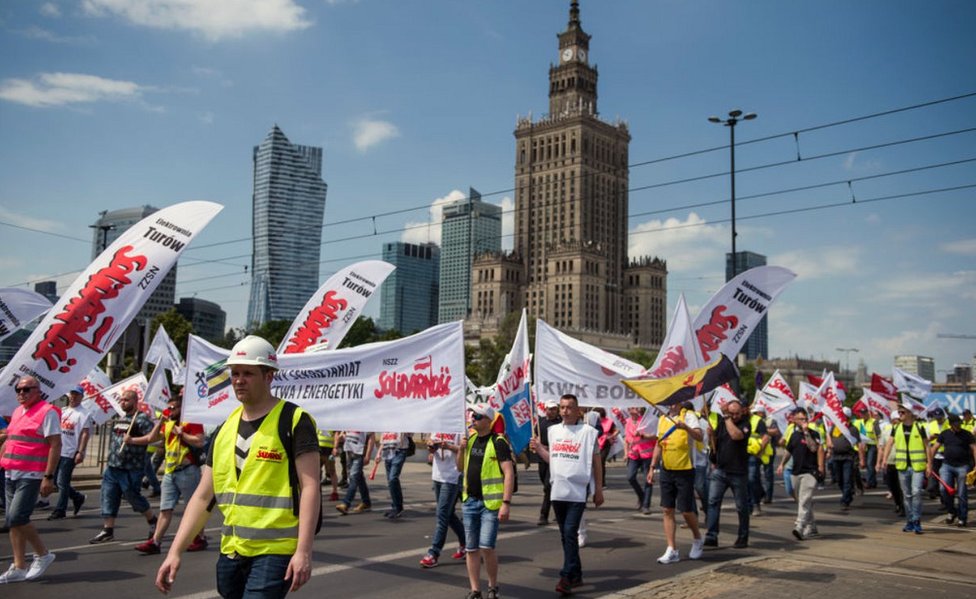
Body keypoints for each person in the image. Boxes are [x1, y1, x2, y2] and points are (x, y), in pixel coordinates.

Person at [156, 335, 320, 598]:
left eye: (248, 373)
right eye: (235, 373)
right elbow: (202, 496)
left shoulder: (294, 420)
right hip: (231, 550)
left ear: (269, 376)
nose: (239, 380)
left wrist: (303, 551)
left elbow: (311, 487)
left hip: (275, 550)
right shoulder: (224, 428)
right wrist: (175, 551)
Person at [530, 394, 603, 596]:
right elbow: (552, 458)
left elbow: (596, 462)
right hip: (558, 490)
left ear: (578, 410)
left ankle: (566, 576)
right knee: (566, 535)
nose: (564, 411)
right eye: (562, 407)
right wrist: (539, 449)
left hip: (578, 491)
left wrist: (598, 489)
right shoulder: (553, 431)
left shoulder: (588, 433)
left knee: (570, 532)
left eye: (569, 407)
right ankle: (577, 573)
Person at [0, 376, 60, 583]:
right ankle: (19, 566)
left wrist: (48, 477)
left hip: (31, 474)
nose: (21, 393)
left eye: (26, 389)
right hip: (10, 472)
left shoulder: (48, 412)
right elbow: (11, 440)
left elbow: (55, 445)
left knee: (17, 517)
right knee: (12, 522)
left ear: (37, 390)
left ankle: (43, 554)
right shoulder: (17, 412)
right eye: (18, 389)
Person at [135, 393, 208, 554]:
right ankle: (155, 542)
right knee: (165, 509)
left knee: (193, 507)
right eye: (169, 408)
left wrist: (181, 433)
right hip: (170, 471)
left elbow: (200, 441)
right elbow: (152, 438)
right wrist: (161, 421)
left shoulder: (192, 421)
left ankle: (200, 537)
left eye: (174, 408)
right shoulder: (168, 423)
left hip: (188, 471)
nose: (170, 410)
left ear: (182, 408)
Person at [458, 404, 514, 599]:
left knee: (486, 547)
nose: (473, 418)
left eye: (478, 416)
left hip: (490, 504)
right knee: (471, 549)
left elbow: (509, 473)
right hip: (470, 501)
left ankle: (492, 586)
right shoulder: (471, 440)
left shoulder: (498, 442)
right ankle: (475, 590)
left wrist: (506, 503)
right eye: (473, 415)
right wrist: (460, 450)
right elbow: (460, 467)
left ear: (488, 420)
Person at [90, 388, 158, 544]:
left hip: (131, 468)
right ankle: (108, 530)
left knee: (132, 497)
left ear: (135, 402)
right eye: (121, 400)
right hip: (114, 466)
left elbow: (153, 438)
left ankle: (153, 520)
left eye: (126, 400)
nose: (123, 402)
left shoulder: (142, 419)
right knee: (108, 496)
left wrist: (133, 440)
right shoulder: (121, 418)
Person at [648, 402, 704, 564]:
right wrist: (652, 467)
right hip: (667, 468)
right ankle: (672, 549)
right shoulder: (663, 418)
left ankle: (697, 538)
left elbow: (700, 437)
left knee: (686, 510)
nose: (671, 404)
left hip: (685, 468)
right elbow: (659, 444)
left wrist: (686, 427)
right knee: (667, 509)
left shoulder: (689, 416)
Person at [704, 396, 752, 549]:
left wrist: (726, 417)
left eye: (737, 413)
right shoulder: (722, 423)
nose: (734, 416)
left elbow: (736, 435)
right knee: (712, 502)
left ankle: (742, 537)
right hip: (720, 470)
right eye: (731, 413)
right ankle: (712, 535)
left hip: (738, 472)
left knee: (741, 506)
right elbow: (716, 444)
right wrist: (712, 436)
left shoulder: (745, 424)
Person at [879, 405, 932, 533]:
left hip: (917, 467)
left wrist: (929, 464)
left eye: (902, 412)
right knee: (907, 495)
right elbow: (889, 444)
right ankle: (909, 521)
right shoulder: (896, 428)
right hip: (903, 467)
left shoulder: (919, 427)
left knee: (917, 492)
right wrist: (884, 460)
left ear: (909, 413)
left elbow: (927, 446)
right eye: (899, 412)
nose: (900, 414)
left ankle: (916, 520)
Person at [419, 432, 466, 568]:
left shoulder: (460, 427)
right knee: (448, 515)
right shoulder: (438, 426)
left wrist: (450, 447)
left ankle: (434, 553)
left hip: (452, 477)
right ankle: (466, 544)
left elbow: (465, 449)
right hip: (437, 476)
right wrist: (431, 446)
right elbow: (430, 441)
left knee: (442, 515)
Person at [777, 408, 825, 540]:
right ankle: (812, 527)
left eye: (805, 419)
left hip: (810, 472)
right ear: (794, 420)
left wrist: (806, 432)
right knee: (803, 501)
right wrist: (782, 464)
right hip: (796, 471)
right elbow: (788, 451)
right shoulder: (793, 435)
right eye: (801, 419)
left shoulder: (814, 433)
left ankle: (799, 526)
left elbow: (814, 448)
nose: (804, 421)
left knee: (804, 499)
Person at [48, 385, 91, 520]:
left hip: (70, 451)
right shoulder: (63, 411)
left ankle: (60, 510)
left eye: (77, 395)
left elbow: (85, 433)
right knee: (55, 480)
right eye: (72, 394)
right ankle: (77, 497)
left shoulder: (84, 413)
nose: (73, 397)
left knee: (62, 481)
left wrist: (81, 451)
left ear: (81, 397)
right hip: (58, 449)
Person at [931, 413, 976, 527]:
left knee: (962, 493)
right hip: (947, 465)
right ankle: (951, 511)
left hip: (963, 466)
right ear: (951, 424)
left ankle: (962, 517)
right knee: (943, 490)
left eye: (959, 424)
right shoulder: (945, 434)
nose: (958, 426)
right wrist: (929, 463)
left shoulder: (967, 434)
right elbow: (934, 448)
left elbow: (974, 449)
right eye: (956, 424)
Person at [825, 408, 865, 511]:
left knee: (847, 479)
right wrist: (829, 450)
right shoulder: (835, 427)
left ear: (847, 417)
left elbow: (859, 444)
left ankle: (845, 501)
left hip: (848, 457)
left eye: (843, 416)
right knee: (840, 479)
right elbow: (829, 437)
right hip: (836, 457)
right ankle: (848, 493)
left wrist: (861, 459)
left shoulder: (852, 429)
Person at [624, 407, 655, 515]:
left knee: (648, 480)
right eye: (630, 408)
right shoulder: (627, 422)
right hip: (634, 454)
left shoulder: (645, 421)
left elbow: (655, 436)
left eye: (634, 407)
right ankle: (641, 496)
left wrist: (642, 435)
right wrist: (625, 452)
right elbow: (627, 439)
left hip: (647, 453)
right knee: (630, 477)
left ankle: (646, 505)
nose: (632, 409)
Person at [334, 430, 374, 514]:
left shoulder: (365, 422)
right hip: (349, 452)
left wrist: (368, 456)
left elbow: (371, 437)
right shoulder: (349, 420)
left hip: (359, 453)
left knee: (353, 478)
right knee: (359, 478)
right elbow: (341, 435)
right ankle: (366, 502)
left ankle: (346, 503)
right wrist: (338, 442)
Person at [536, 401, 561, 525]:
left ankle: (543, 515)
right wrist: (538, 444)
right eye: (549, 409)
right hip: (542, 458)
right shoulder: (541, 422)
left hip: (555, 458)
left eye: (554, 409)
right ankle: (559, 511)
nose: (551, 411)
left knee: (548, 486)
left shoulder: (561, 423)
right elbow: (535, 435)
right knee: (546, 484)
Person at [375, 431, 410, 519]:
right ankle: (396, 506)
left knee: (392, 478)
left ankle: (397, 508)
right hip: (387, 453)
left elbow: (409, 433)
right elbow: (383, 441)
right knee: (391, 482)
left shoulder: (403, 421)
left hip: (399, 451)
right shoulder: (386, 424)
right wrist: (378, 453)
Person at [745, 405, 771, 515]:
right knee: (745, 481)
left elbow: (765, 437)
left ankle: (756, 504)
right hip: (741, 454)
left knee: (752, 478)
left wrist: (759, 451)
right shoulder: (737, 419)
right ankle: (750, 503)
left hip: (754, 454)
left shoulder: (758, 421)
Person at [317, 429, 339, 502]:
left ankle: (335, 492)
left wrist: (335, 447)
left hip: (329, 451)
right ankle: (316, 490)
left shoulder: (332, 421)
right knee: (316, 471)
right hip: (318, 449)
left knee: (332, 472)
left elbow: (336, 434)